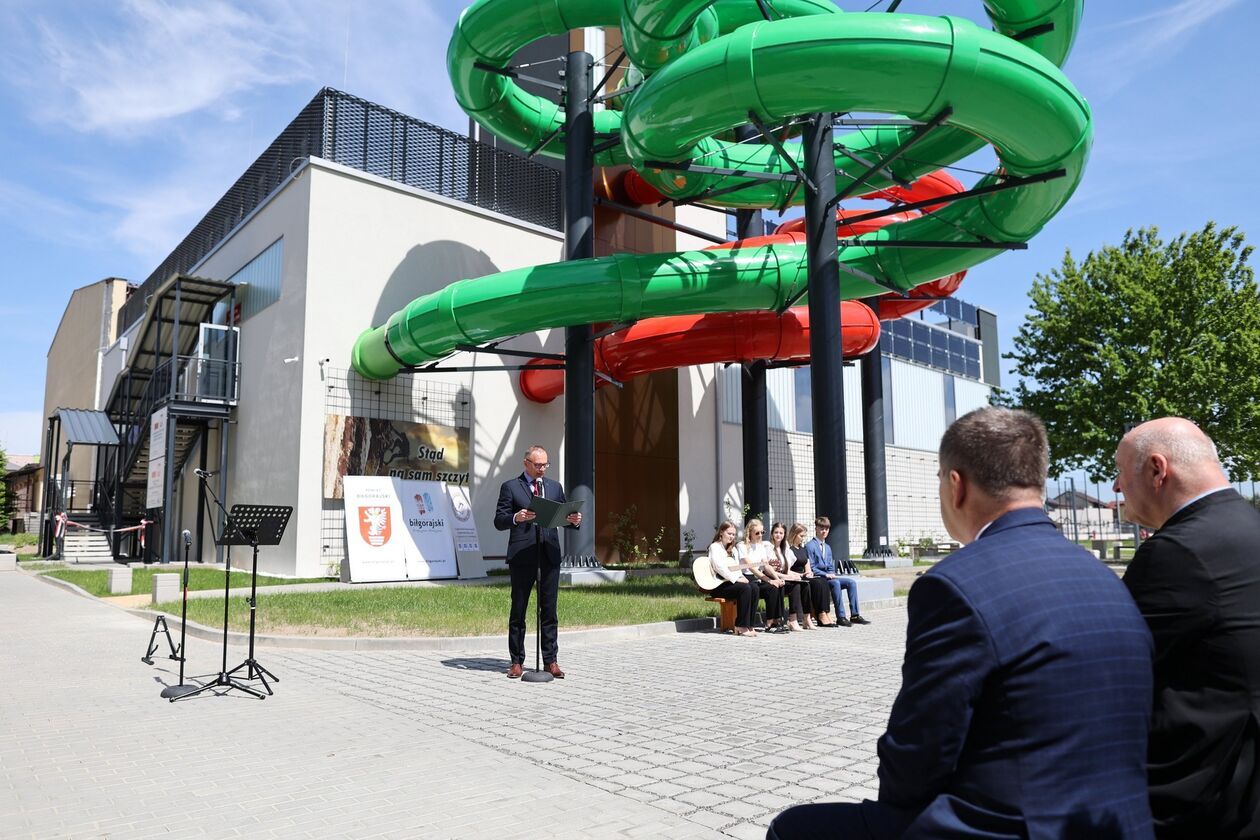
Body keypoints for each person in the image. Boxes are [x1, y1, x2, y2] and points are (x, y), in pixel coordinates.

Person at [768, 407, 1155, 838]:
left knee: (792, 828)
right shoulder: (1107, 580)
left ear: (956, 485)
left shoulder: (954, 586)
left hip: (1011, 826)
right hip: (1122, 823)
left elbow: (915, 758)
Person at [1115, 417, 1260, 837]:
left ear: (1157, 470)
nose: (1117, 487)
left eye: (1119, 472)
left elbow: (1117, 669)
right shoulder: (1248, 526)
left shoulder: (1177, 552)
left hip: (1201, 797)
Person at [493, 444, 581, 679]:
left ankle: (550, 661)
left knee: (549, 611)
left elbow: (562, 516)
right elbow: (499, 520)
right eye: (538, 465)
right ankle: (516, 662)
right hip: (523, 556)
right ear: (526, 463)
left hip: (549, 554)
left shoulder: (554, 487)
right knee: (519, 610)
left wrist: (573, 520)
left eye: (545, 465)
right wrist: (516, 517)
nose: (542, 469)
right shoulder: (511, 487)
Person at [804, 517, 868, 626]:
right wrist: (826, 574)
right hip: (819, 578)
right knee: (836, 583)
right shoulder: (810, 546)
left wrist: (831, 573)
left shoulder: (828, 547)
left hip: (828, 577)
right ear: (816, 529)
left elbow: (830, 566)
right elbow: (812, 567)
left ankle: (855, 615)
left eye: (826, 529)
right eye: (821, 528)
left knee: (851, 582)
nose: (824, 531)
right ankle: (841, 617)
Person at [706, 520, 759, 637]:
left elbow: (736, 568)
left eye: (733, 534)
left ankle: (750, 624)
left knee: (754, 587)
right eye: (729, 533)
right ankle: (741, 625)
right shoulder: (714, 547)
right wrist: (736, 579)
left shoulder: (733, 550)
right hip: (718, 585)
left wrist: (741, 576)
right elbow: (719, 567)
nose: (731, 536)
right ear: (721, 532)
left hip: (730, 583)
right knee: (745, 588)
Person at [736, 518, 786, 632]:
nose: (760, 535)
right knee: (768, 586)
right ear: (749, 532)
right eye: (757, 533)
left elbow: (766, 565)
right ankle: (760, 623)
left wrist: (777, 579)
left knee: (776, 587)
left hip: (758, 578)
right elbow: (751, 567)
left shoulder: (761, 546)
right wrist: (769, 580)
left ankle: (773, 621)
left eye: (762, 532)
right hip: (747, 578)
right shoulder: (742, 546)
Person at [785, 522, 834, 627]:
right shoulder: (789, 550)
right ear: (794, 534)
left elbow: (807, 566)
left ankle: (826, 611)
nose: (803, 539)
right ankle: (820, 613)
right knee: (816, 584)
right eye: (801, 536)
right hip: (795, 576)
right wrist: (801, 575)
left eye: (804, 536)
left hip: (804, 576)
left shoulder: (803, 549)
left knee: (823, 581)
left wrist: (809, 572)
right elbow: (786, 570)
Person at [768, 521, 815, 631]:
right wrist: (788, 577)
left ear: (784, 534)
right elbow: (769, 571)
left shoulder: (785, 549)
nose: (778, 535)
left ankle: (804, 618)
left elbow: (787, 570)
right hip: (772, 579)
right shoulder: (768, 547)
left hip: (783, 577)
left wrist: (799, 575)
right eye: (776, 532)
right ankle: (791, 620)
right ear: (772, 533)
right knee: (795, 585)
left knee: (804, 584)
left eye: (781, 533)